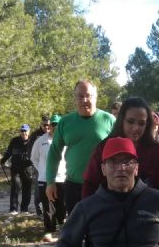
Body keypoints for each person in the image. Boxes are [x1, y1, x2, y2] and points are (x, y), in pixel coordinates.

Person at [45, 80, 115, 214]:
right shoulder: (65, 122)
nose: (84, 100)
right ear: (75, 98)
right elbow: (54, 153)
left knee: (102, 230)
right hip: (73, 186)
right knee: (77, 230)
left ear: (96, 97)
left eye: (89, 95)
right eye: (80, 96)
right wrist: (50, 181)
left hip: (103, 186)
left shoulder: (109, 120)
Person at [82, 97, 159, 197]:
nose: (135, 128)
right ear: (122, 120)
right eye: (130, 121)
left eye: (141, 123)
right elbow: (90, 186)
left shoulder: (157, 151)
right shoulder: (103, 148)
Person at [31, 115, 66, 242]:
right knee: (47, 205)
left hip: (62, 178)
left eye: (58, 125)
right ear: (49, 126)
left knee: (62, 204)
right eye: (53, 124)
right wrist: (42, 170)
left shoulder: (66, 139)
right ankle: (49, 230)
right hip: (45, 179)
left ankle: (62, 226)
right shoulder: (40, 141)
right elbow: (34, 158)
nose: (55, 127)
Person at [0, 124, 34, 214]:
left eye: (25, 131)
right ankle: (13, 209)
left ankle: (24, 209)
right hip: (16, 168)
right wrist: (2, 161)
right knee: (15, 188)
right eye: (22, 131)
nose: (24, 133)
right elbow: (8, 152)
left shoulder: (33, 141)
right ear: (20, 132)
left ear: (29, 131)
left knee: (27, 189)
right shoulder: (14, 141)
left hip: (28, 168)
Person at [31, 116, 51, 216]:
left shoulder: (54, 134)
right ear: (41, 124)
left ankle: (49, 208)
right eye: (44, 125)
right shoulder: (35, 136)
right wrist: (39, 167)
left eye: (48, 125)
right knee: (39, 187)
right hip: (38, 165)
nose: (46, 127)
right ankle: (38, 208)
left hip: (51, 166)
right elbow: (32, 153)